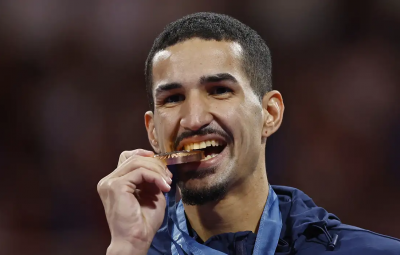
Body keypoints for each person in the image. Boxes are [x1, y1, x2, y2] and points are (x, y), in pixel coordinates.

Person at [97, 12, 400, 255]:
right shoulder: (133, 249)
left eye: (219, 91)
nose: (194, 118)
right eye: (173, 98)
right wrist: (129, 247)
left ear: (270, 114)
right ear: (152, 131)